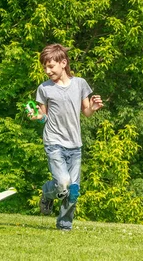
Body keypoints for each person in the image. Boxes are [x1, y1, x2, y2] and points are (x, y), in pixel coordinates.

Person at [29, 44, 103, 231]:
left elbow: (86, 111)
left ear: (63, 63)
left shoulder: (80, 84)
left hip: (75, 144)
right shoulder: (44, 89)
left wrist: (93, 108)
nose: (47, 71)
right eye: (45, 67)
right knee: (63, 184)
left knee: (73, 190)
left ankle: (64, 225)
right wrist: (38, 117)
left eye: (51, 66)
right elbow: (44, 116)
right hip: (54, 142)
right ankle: (48, 193)